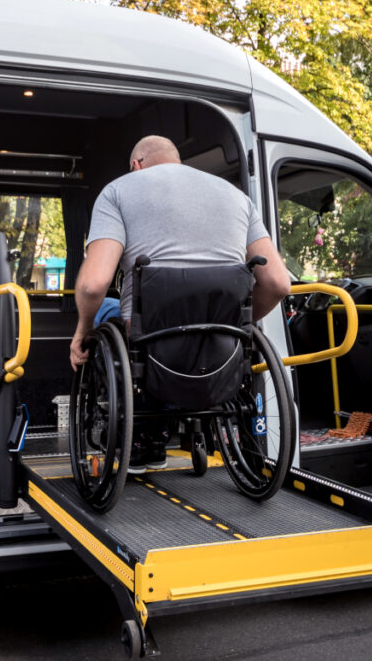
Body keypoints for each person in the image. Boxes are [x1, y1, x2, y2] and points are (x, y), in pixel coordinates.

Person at [69, 135, 290, 473]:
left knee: (107, 311)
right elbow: (277, 283)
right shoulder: (237, 197)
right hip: (221, 341)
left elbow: (93, 284)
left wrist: (82, 331)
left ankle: (143, 434)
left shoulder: (119, 191)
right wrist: (236, 325)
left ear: (136, 165)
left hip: (149, 336)